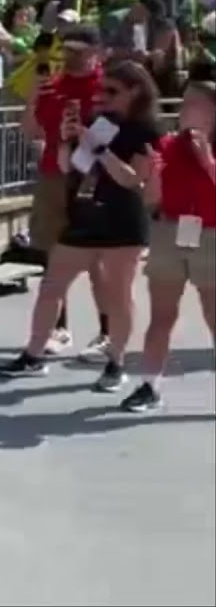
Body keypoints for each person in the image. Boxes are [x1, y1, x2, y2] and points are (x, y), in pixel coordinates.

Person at [0, 60, 160, 389]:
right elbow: (69, 167)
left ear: (135, 91)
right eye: (101, 89)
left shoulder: (145, 130)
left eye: (112, 91)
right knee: (51, 286)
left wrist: (99, 149)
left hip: (122, 222)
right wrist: (65, 141)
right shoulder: (97, 123)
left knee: (118, 295)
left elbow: (132, 179)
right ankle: (33, 354)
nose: (102, 96)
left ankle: (116, 362)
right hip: (83, 215)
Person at [121, 78, 216, 412]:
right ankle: (149, 386)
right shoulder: (167, 144)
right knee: (161, 316)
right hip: (170, 231)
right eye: (184, 101)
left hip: (211, 235)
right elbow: (152, 202)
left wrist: (208, 162)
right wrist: (154, 177)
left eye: (193, 103)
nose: (184, 108)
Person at [18, 25, 112, 360]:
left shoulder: (108, 87)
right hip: (53, 176)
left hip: (95, 177)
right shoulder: (53, 85)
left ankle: (108, 331)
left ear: (96, 52)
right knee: (53, 254)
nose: (70, 56)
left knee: (99, 260)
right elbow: (31, 131)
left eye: (78, 50)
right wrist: (33, 97)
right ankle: (59, 328)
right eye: (67, 49)